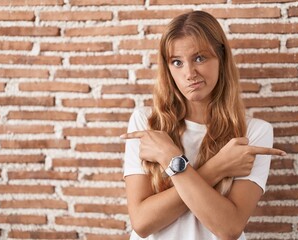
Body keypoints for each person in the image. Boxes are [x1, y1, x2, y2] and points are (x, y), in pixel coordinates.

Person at [120, 10, 286, 240]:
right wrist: (217, 167)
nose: (189, 73)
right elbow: (142, 222)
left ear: (221, 58)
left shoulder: (254, 133)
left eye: (200, 58)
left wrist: (170, 159)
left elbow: (228, 228)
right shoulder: (147, 124)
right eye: (177, 62)